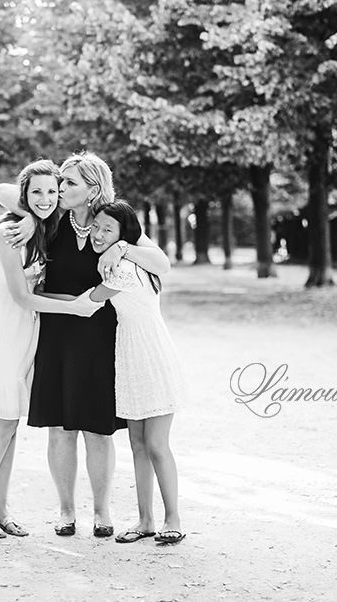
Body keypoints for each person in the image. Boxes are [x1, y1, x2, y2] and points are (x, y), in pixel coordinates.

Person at [0, 152, 170, 538]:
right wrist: (26, 215)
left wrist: (122, 248)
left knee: (97, 429)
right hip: (56, 331)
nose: (59, 189)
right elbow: (5, 190)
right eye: (60, 182)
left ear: (93, 188)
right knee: (59, 428)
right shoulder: (51, 216)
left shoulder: (112, 221)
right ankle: (65, 512)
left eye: (69, 182)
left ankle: (102, 512)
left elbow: (161, 263)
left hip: (99, 334)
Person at [0, 159, 101, 540]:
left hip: (26, 331)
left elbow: (37, 292)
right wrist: (73, 306)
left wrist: (35, 219)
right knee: (0, 425)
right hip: (2, 328)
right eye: (36, 192)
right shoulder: (7, 231)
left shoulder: (42, 227)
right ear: (24, 195)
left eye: (53, 191)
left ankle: (0, 509)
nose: (46, 198)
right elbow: (21, 296)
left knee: (11, 425)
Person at [87, 200, 186, 545]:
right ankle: (145, 521)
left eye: (107, 230)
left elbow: (90, 301)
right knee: (137, 445)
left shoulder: (124, 270)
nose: (98, 234)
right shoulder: (129, 258)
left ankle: (172, 518)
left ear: (124, 235)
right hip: (130, 358)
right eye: (96, 226)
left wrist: (34, 293)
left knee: (157, 444)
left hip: (151, 357)